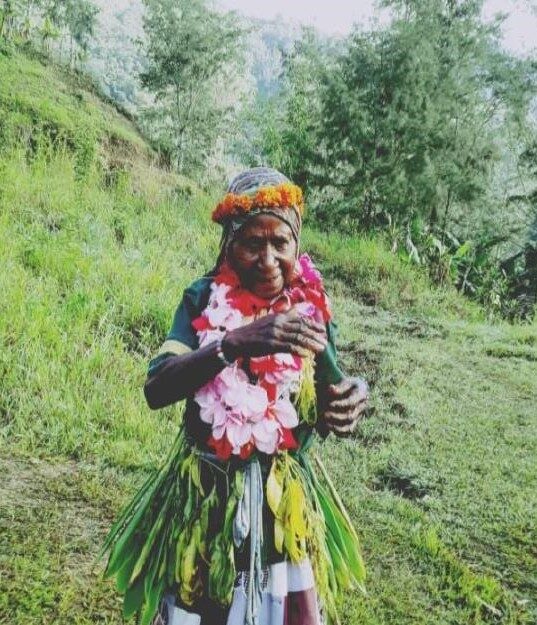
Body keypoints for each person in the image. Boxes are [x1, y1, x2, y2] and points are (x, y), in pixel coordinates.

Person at [99, 168, 369, 625]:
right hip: (205, 496)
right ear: (228, 246)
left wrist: (350, 398)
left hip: (283, 508)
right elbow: (157, 386)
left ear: (296, 245)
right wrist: (234, 342)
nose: (268, 260)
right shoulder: (203, 298)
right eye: (251, 243)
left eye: (280, 242)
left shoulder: (311, 309)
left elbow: (327, 397)